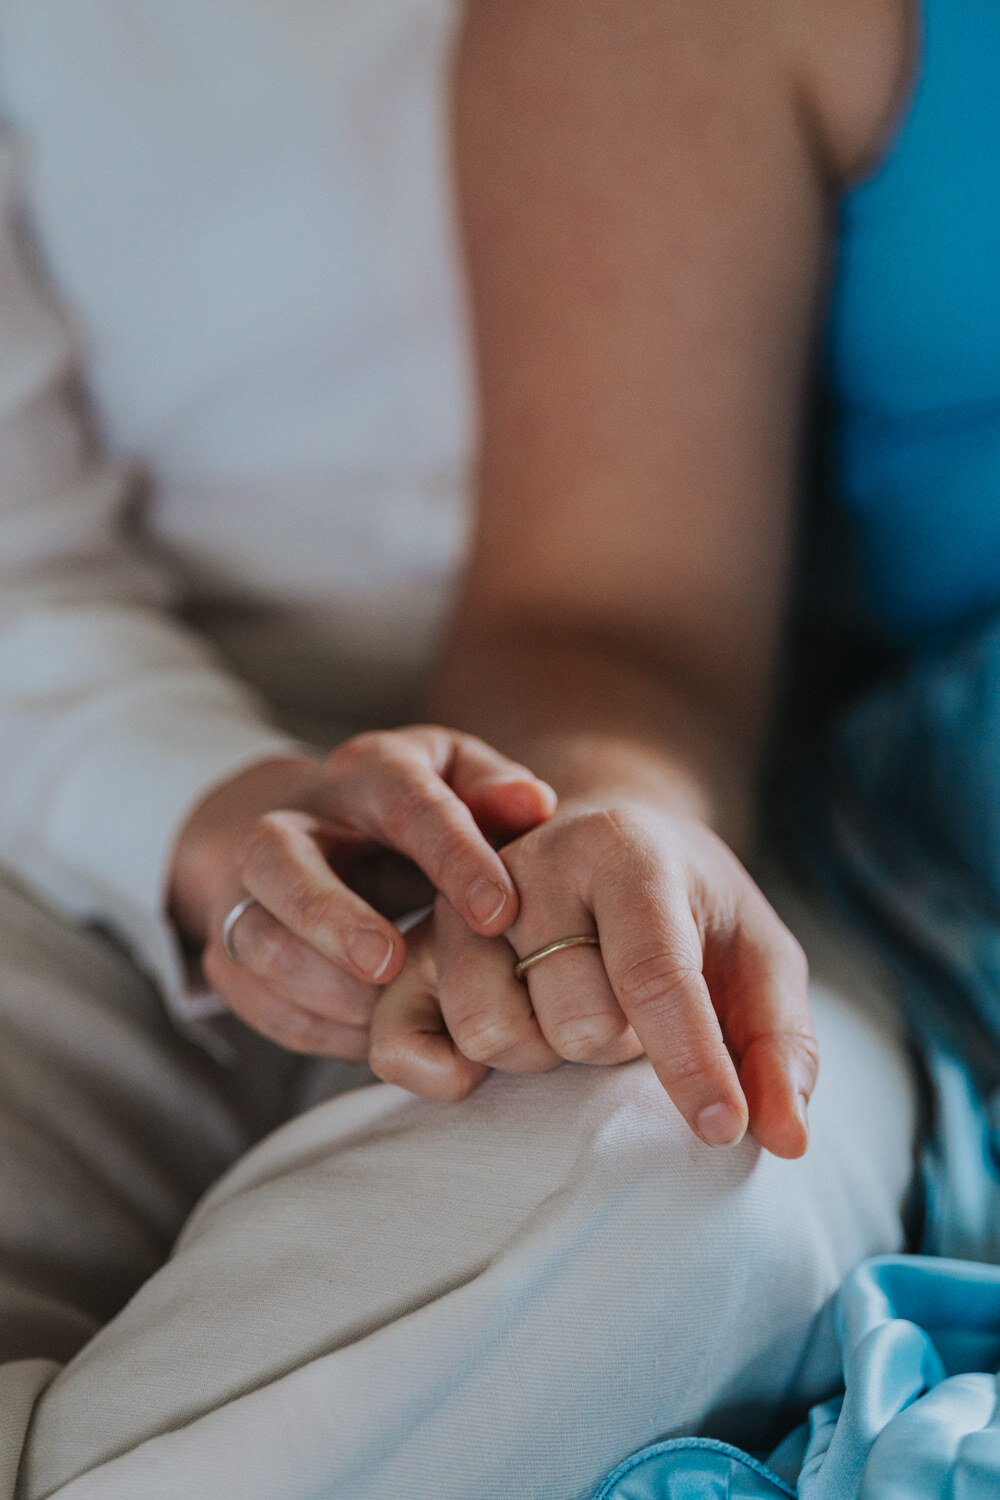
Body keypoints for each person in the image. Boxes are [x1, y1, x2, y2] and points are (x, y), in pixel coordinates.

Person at [0, 0, 934, 1495]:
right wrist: (228, 814)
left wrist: (607, 827)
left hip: (637, 772)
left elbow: (629, 621)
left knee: (694, 1152)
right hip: (93, 770)